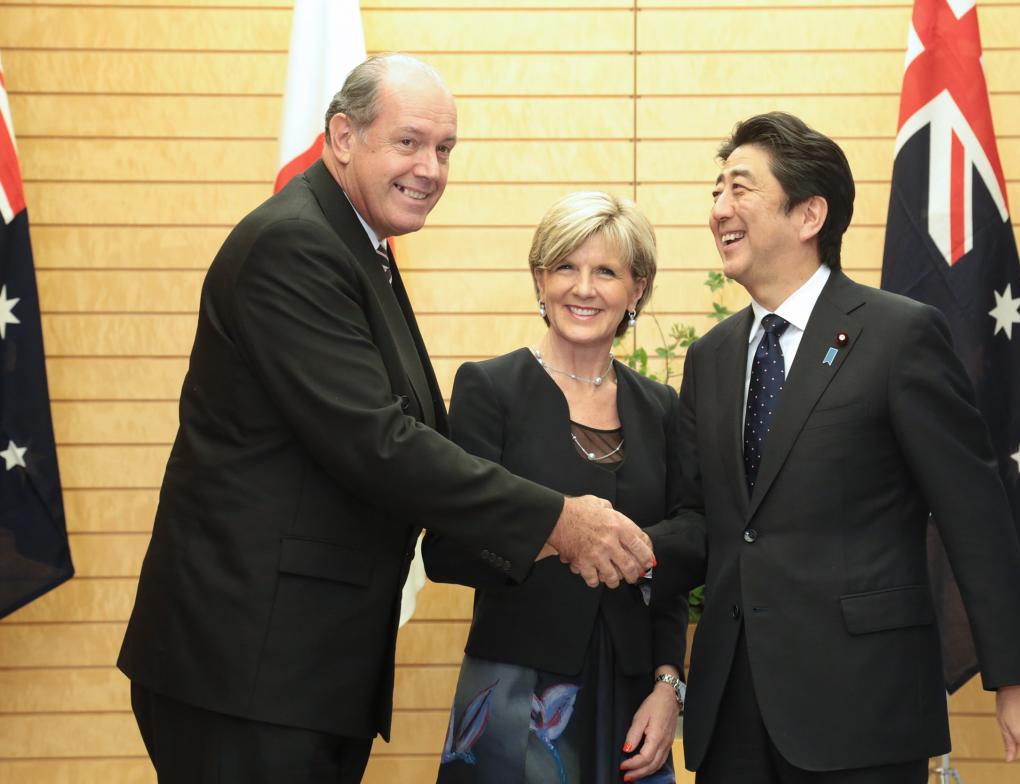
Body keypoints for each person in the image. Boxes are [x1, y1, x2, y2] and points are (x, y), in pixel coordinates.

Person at [116, 55, 654, 784]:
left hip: (299, 668)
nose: (430, 168)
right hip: (249, 668)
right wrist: (559, 521)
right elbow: (379, 445)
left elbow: (411, 438)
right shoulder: (297, 246)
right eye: (408, 142)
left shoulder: (361, 249)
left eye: (444, 149)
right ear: (342, 136)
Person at [646, 112, 1020, 783]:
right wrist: (607, 543)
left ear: (809, 215)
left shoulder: (898, 336)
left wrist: (1017, 677)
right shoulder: (712, 357)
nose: (719, 208)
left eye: (740, 189)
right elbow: (707, 523)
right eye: (716, 191)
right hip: (735, 711)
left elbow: (973, 513)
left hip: (863, 706)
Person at [423, 192, 685, 784]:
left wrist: (669, 686)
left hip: (634, 698)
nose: (583, 288)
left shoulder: (663, 409)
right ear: (540, 280)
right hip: (516, 694)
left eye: (606, 271)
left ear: (636, 290)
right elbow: (446, 548)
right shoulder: (490, 389)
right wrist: (560, 535)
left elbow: (674, 572)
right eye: (565, 266)